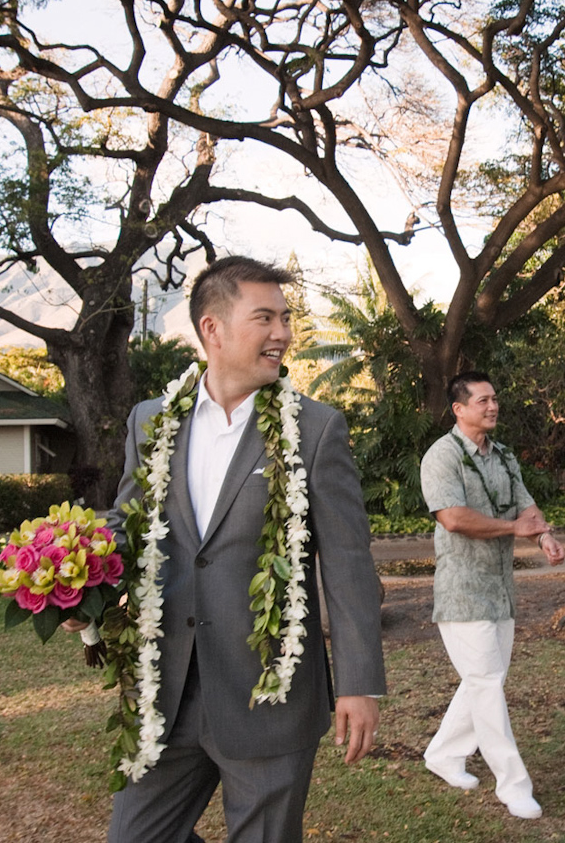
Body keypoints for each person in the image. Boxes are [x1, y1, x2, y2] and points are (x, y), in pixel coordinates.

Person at [81, 255, 386, 843]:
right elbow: (127, 525)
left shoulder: (316, 429)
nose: (284, 335)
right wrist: (83, 583)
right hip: (165, 693)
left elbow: (347, 564)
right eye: (265, 318)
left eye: (286, 319)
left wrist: (359, 683)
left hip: (267, 698)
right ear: (212, 329)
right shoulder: (149, 423)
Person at [420, 370, 564, 821]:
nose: (492, 406)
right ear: (459, 409)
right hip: (463, 593)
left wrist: (543, 536)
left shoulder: (501, 455)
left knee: (486, 681)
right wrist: (514, 529)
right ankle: (514, 784)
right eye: (482, 400)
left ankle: (443, 753)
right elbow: (454, 518)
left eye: (494, 399)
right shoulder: (440, 457)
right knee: (485, 684)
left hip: (500, 589)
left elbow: (525, 502)